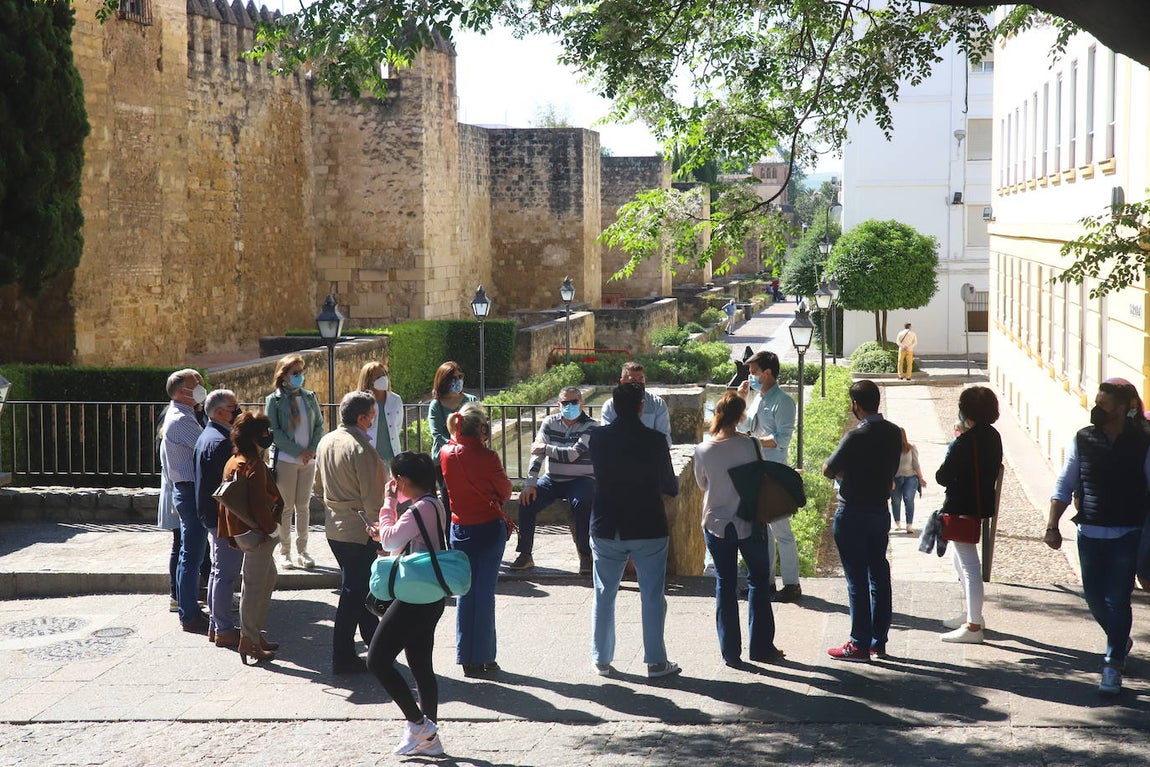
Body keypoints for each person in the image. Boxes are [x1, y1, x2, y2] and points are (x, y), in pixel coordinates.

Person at [1045, 378, 1150, 696]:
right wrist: (1053, 525)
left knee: (1118, 599)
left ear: (1121, 409)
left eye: (1103, 405)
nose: (1096, 409)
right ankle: (1120, 638)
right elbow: (1065, 482)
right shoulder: (1083, 438)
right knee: (1093, 597)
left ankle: (1113, 663)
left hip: (1127, 532)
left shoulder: (1143, 441)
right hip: (1088, 531)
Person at [587, 382, 681, 678]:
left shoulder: (598, 438)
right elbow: (670, 486)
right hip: (647, 524)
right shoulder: (655, 441)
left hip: (606, 524)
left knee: (604, 593)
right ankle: (655, 662)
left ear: (612, 407)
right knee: (652, 594)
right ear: (642, 406)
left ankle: (601, 659)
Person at [367, 452, 448, 757]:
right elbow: (401, 541)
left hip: (414, 597)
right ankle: (429, 740)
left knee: (376, 660)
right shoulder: (433, 504)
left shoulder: (419, 509)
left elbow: (389, 542)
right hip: (430, 595)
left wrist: (387, 504)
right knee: (421, 667)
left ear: (400, 480)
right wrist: (385, 531)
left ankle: (419, 725)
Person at [694, 392, 782, 667]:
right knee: (758, 580)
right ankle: (761, 647)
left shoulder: (703, 449)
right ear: (742, 416)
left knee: (725, 583)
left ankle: (730, 653)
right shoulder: (751, 445)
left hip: (717, 521)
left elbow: (702, 484)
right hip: (750, 519)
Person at [822, 379, 903, 661]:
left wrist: (849, 473)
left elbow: (828, 469)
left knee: (856, 579)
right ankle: (878, 642)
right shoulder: (894, 433)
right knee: (879, 576)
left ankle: (858, 643)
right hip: (879, 511)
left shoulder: (855, 436)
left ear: (855, 405)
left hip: (853, 512)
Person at [315, 391, 388, 674]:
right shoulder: (362, 450)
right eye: (372, 416)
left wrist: (338, 506)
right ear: (361, 417)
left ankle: (375, 645)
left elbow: (317, 488)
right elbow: (374, 500)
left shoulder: (326, 441)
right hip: (359, 530)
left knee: (359, 589)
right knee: (354, 593)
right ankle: (343, 656)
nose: (373, 421)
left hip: (336, 527)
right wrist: (381, 535)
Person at [440, 403, 513, 677]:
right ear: (482, 428)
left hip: (459, 528)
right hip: (487, 528)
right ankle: (485, 656)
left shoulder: (445, 453)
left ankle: (466, 656)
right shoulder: (488, 457)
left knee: (465, 593)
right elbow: (505, 492)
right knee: (484, 594)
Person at [935, 386, 1003, 645]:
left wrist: (956, 440)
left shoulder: (965, 442)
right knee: (959, 560)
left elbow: (942, 476)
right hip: (979, 503)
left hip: (962, 506)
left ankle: (974, 626)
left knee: (970, 566)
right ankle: (971, 614)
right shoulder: (993, 436)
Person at [217, 411, 283, 664]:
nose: (267, 436)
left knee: (268, 578)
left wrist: (231, 535)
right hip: (256, 534)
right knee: (254, 587)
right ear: (255, 437)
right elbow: (257, 504)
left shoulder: (235, 460)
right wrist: (272, 530)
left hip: (243, 531)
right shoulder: (252, 464)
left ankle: (254, 634)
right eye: (264, 433)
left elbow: (226, 504)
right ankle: (249, 640)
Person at [736, 350, 801, 603]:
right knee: (763, 532)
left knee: (782, 530)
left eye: (753, 372)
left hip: (773, 474)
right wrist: (741, 400)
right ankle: (766, 583)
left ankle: (792, 584)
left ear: (768, 373)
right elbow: (743, 427)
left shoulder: (783, 402)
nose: (750, 377)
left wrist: (751, 441)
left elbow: (781, 441)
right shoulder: (757, 398)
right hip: (756, 471)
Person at [510, 386, 598, 574]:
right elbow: (536, 456)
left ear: (581, 403)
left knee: (583, 503)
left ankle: (585, 554)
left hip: (582, 479)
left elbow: (574, 453)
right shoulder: (549, 422)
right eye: (565, 403)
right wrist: (530, 483)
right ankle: (525, 554)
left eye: (574, 402)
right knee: (526, 501)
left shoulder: (592, 426)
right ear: (559, 404)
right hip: (553, 479)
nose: (570, 406)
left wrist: (546, 448)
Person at [193, 388, 243, 648]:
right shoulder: (220, 442)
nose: (238, 411)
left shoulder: (208, 436)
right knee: (225, 572)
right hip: (222, 517)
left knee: (217, 570)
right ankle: (223, 628)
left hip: (212, 515)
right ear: (221, 412)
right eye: (234, 407)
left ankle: (216, 624)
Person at [265, 354, 325, 571]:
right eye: (295, 373)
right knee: (285, 507)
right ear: (284, 376)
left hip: (308, 460)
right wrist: (299, 451)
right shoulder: (274, 400)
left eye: (301, 372)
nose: (300, 377)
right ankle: (284, 552)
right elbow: (275, 432)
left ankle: (303, 550)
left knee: (304, 506)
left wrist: (310, 451)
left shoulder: (310, 397)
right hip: (287, 459)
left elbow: (319, 424)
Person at [160, 368, 209, 632]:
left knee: (187, 554)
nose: (201, 387)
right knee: (191, 555)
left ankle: (188, 608)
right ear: (181, 392)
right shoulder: (181, 420)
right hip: (189, 491)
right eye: (196, 384)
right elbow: (207, 447)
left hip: (187, 489)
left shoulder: (184, 414)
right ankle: (188, 613)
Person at [428, 361, 478, 516]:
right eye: (453, 378)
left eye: (460, 376)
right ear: (444, 381)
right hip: (444, 460)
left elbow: (479, 425)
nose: (458, 381)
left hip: (468, 458)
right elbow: (436, 433)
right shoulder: (436, 405)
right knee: (448, 501)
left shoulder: (471, 401)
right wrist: (456, 447)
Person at [600, 361, 671, 447]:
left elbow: (665, 439)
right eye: (633, 380)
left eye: (641, 379)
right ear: (622, 382)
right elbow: (606, 438)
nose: (638, 384)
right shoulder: (610, 406)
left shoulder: (657, 404)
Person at [357, 361, 404, 463]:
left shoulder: (396, 400)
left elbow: (398, 426)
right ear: (368, 380)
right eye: (377, 377)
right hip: (369, 458)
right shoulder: (360, 402)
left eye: (384, 375)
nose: (383, 379)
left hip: (392, 458)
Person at [891, 427, 927, 534]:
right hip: (895, 478)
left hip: (910, 477)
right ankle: (897, 522)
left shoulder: (911, 448)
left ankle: (909, 525)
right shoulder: (890, 449)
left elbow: (916, 464)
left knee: (909, 499)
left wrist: (921, 478)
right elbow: (889, 466)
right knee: (896, 500)